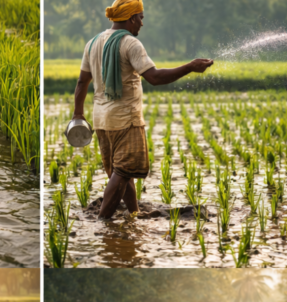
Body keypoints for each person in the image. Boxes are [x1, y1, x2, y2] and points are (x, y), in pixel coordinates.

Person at [72, 0, 214, 219]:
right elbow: (154, 77)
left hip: (101, 121)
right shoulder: (130, 43)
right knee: (122, 172)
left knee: (123, 172)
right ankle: (103, 221)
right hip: (126, 119)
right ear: (131, 18)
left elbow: (82, 82)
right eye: (141, 17)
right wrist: (189, 67)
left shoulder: (92, 43)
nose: (142, 23)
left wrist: (78, 115)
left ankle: (134, 214)